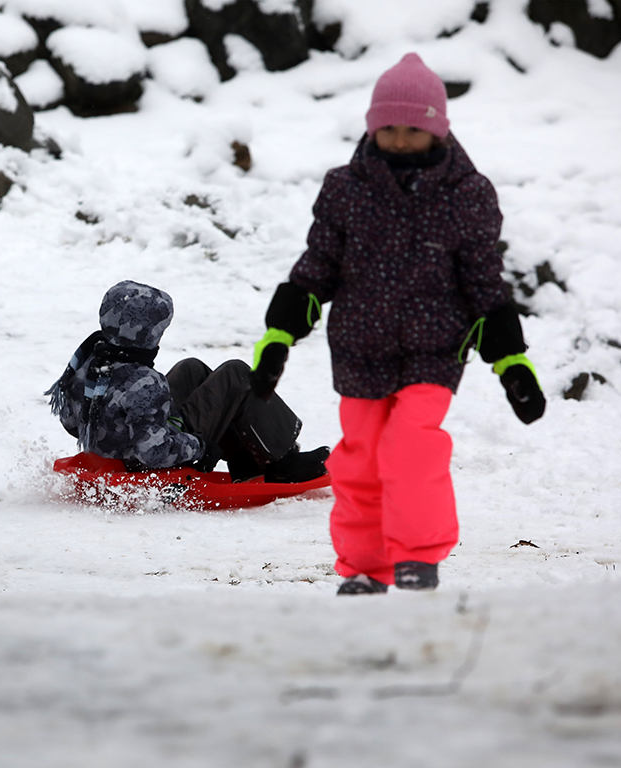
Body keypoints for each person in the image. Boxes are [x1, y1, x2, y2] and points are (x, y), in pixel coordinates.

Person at [249, 53, 546, 594]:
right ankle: (365, 566)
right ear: (372, 127)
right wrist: (278, 338)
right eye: (389, 128)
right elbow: (316, 270)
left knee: (411, 447)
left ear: (436, 128)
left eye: (414, 128)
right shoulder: (346, 189)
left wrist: (511, 361)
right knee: (360, 460)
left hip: (435, 351)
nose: (401, 139)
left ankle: (418, 555)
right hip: (361, 349)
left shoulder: (468, 195)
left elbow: (484, 283)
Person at [47, 280, 329, 483]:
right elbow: (153, 451)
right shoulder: (143, 381)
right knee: (238, 375)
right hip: (143, 467)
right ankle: (282, 463)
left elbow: (72, 423)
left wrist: (113, 431)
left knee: (191, 368)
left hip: (118, 451)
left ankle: (247, 461)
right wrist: (199, 446)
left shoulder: (90, 362)